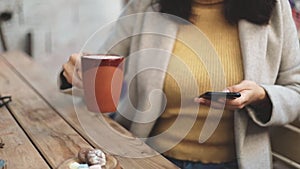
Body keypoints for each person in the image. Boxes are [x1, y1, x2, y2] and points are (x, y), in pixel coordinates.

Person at [58, 0, 300, 168]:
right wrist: (75, 75)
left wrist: (262, 96)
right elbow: (102, 66)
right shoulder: (148, 5)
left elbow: (295, 88)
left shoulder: (274, 8)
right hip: (150, 158)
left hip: (237, 163)